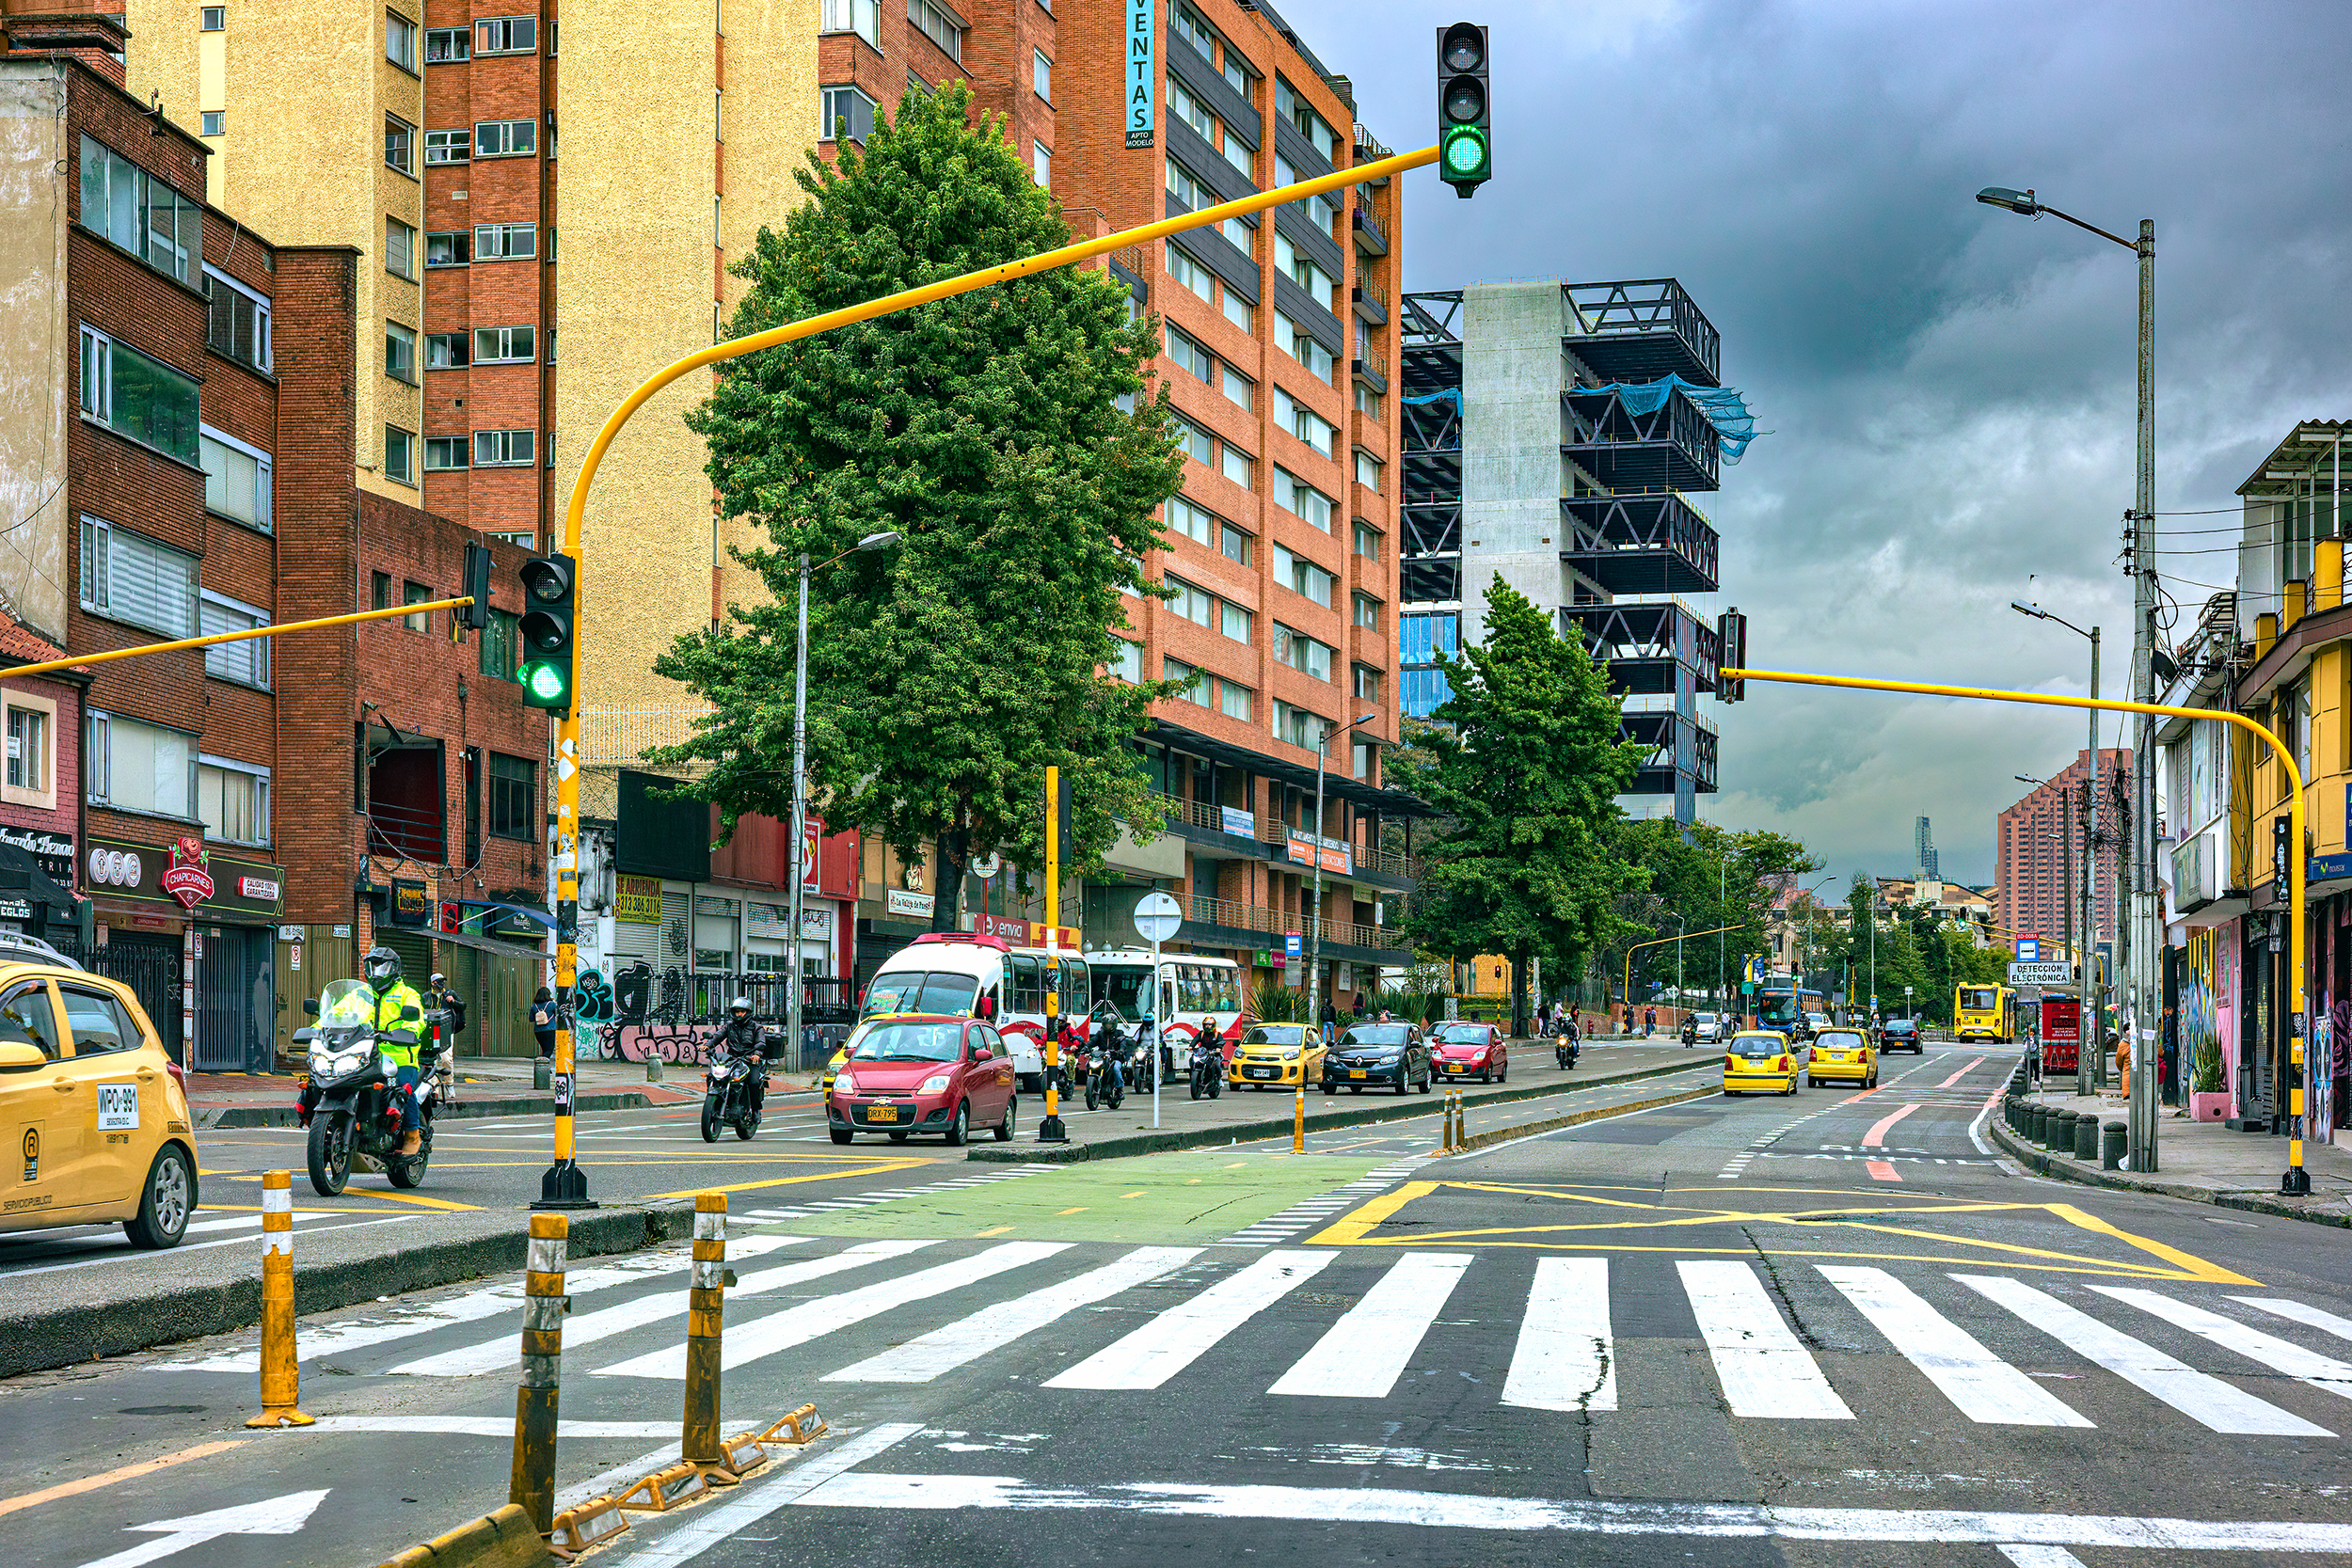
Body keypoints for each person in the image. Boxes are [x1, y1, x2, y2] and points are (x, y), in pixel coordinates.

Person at [365, 947, 428, 1154]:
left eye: (383, 968)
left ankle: (412, 1135)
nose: (377, 973)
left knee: (403, 1091)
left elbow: (417, 1019)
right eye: (373, 968)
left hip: (400, 1056)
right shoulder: (359, 995)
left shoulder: (407, 994)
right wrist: (318, 1029)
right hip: (365, 1054)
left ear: (394, 969)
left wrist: (407, 1031)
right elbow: (338, 1013)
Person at [711, 995, 768, 1115]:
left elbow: (760, 1042)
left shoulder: (757, 1028)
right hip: (732, 1059)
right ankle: (716, 1103)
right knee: (713, 1077)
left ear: (748, 1012)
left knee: (753, 1082)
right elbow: (718, 1036)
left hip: (750, 1060)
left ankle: (755, 1111)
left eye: (742, 1012)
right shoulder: (729, 1026)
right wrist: (707, 1045)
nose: (739, 1014)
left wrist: (756, 1054)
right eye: (737, 1012)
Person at [531, 987, 558, 1059]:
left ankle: (546, 1069)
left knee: (544, 1049)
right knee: (549, 1050)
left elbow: (531, 1019)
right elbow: (558, 1014)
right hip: (550, 1030)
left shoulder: (534, 1006)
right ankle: (540, 1063)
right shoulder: (552, 1004)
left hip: (538, 1031)